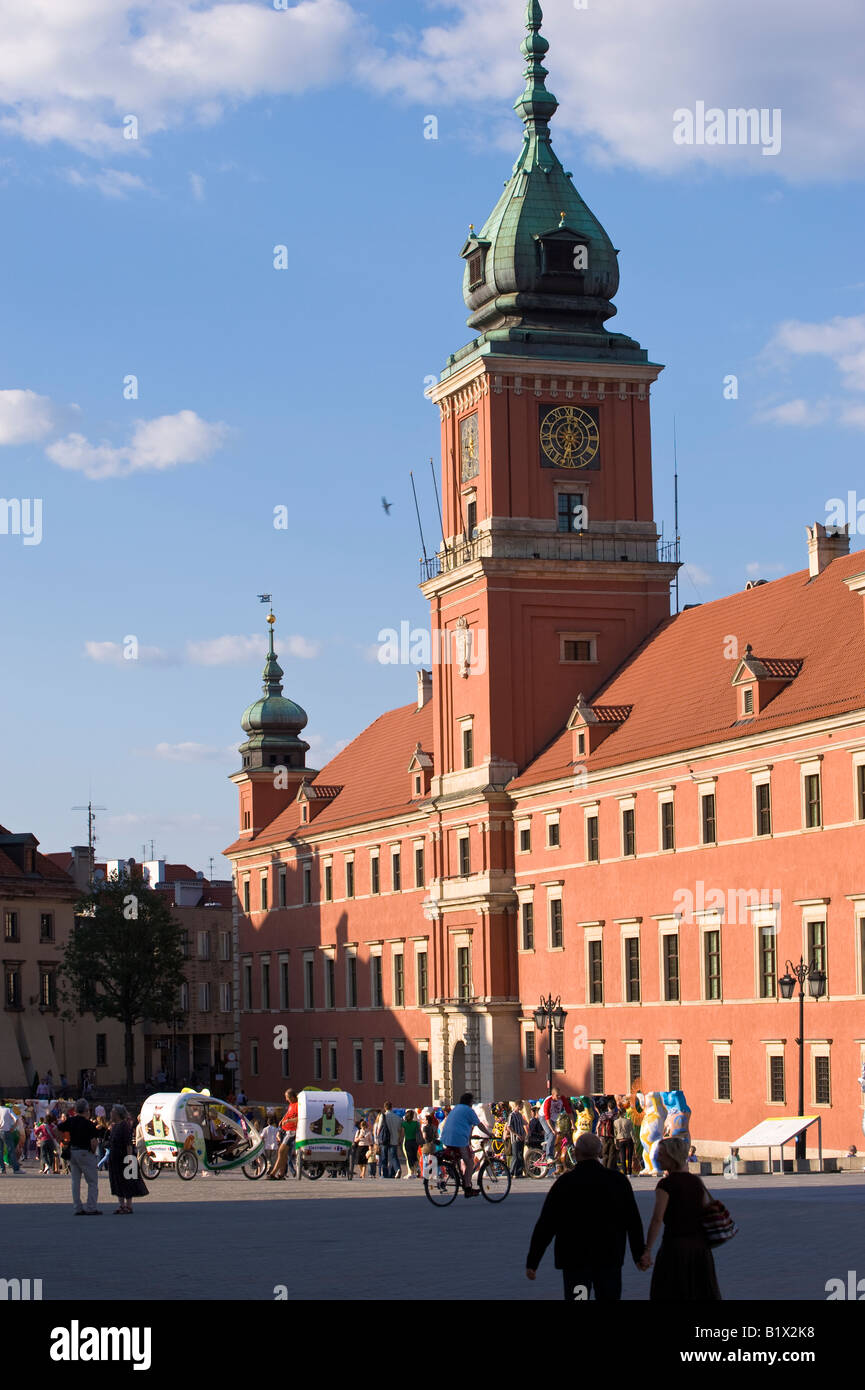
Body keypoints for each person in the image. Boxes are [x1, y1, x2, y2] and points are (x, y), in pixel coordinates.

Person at [526, 1133, 647, 1300]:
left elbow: (546, 1223)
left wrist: (533, 1261)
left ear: (576, 1153)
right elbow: (633, 1221)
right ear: (600, 1153)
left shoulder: (565, 1183)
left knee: (578, 1297)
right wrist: (639, 1254)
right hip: (609, 1257)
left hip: (576, 1260)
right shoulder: (618, 1181)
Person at [641, 1137, 721, 1300]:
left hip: (675, 1248)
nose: (657, 1157)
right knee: (699, 1292)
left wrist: (647, 1249)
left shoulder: (665, 1185)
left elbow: (657, 1219)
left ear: (672, 1157)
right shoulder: (696, 1181)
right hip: (700, 1249)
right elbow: (705, 1210)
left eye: (661, 1154)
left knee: (673, 1292)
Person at [439, 1092, 491, 1197]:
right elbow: (479, 1124)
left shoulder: (456, 1108)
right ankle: (467, 1188)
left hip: (446, 1138)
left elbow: (459, 1123)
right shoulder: (469, 1110)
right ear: (470, 1102)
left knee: (459, 1158)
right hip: (458, 1139)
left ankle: (461, 1178)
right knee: (470, 1162)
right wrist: (489, 1133)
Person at [108, 1104, 148, 1214]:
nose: (111, 1113)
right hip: (115, 1158)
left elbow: (128, 1143)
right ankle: (121, 1205)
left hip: (124, 1157)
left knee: (127, 1181)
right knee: (117, 1181)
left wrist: (130, 1158)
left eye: (113, 1111)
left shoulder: (124, 1125)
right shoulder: (114, 1125)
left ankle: (128, 1205)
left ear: (117, 1114)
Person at [66, 1098, 101, 1214]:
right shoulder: (89, 1124)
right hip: (85, 1153)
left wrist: (65, 1141)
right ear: (86, 1110)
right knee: (92, 1181)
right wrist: (93, 1151)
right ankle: (91, 1207)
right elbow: (94, 1142)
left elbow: (57, 1129)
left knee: (75, 1182)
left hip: (73, 1152)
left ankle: (77, 1207)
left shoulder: (71, 1121)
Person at [267, 1090, 299, 1179]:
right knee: (283, 1154)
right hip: (285, 1131)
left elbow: (299, 1117)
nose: (286, 1099)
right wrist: (283, 1119)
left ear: (292, 1097)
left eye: (287, 1097)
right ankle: (281, 1174)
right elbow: (288, 1113)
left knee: (281, 1151)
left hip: (291, 1132)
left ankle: (273, 1174)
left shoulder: (298, 1105)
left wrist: (288, 1121)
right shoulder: (291, 1105)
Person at [541, 1088, 573, 1160]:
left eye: (559, 1095)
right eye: (557, 1095)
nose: (559, 1097)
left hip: (554, 1118)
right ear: (552, 1095)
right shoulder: (548, 1101)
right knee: (552, 1134)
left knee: (557, 1135)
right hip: (544, 1117)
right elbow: (547, 1118)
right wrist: (553, 1130)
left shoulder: (562, 1099)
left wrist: (573, 1124)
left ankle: (545, 1150)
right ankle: (549, 1156)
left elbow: (569, 1112)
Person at [596, 1097, 618, 1170]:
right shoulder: (616, 1115)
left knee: (605, 1154)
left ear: (608, 1106)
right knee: (612, 1154)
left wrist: (599, 1135)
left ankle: (604, 1169)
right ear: (614, 1107)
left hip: (604, 1137)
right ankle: (610, 1169)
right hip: (613, 1137)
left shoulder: (603, 1115)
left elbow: (598, 1126)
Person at [0, 1100, 21, 1173]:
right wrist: (13, 1127)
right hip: (6, 1131)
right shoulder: (8, 1110)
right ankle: (16, 1169)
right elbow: (16, 1119)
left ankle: (2, 1169)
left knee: (0, 1151)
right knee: (11, 1150)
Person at [507, 1100, 526, 1178]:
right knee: (515, 1156)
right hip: (515, 1138)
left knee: (520, 1155)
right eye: (521, 1106)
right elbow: (508, 1126)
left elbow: (523, 1125)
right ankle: (511, 1172)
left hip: (521, 1137)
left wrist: (524, 1134)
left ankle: (518, 1173)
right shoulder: (511, 1115)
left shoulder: (520, 1115)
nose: (522, 1107)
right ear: (518, 1106)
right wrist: (516, 1134)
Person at [614, 1105, 635, 1175]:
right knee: (629, 1156)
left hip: (620, 1140)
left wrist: (615, 1143)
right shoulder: (628, 1121)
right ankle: (630, 1172)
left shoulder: (615, 1122)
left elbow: (615, 1134)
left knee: (622, 1157)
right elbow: (632, 1132)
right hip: (628, 1139)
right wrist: (634, 1141)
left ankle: (624, 1172)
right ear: (624, 1113)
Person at [402, 1109, 420, 1178]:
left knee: (409, 1157)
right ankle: (417, 1168)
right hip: (415, 1141)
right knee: (415, 1156)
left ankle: (412, 1173)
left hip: (407, 1141)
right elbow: (418, 1132)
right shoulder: (416, 1124)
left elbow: (402, 1133)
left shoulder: (404, 1124)